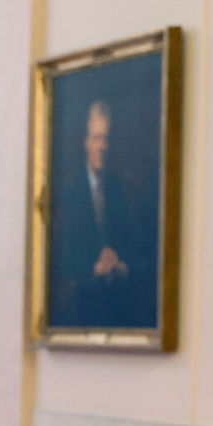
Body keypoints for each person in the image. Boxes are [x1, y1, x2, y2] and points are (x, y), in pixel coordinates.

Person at [50, 100, 155, 327]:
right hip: (79, 313)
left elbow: (140, 251)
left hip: (119, 311)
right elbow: (58, 264)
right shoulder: (68, 192)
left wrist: (119, 263)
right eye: (97, 138)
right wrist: (94, 268)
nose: (103, 146)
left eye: (106, 138)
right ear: (86, 142)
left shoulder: (123, 191)